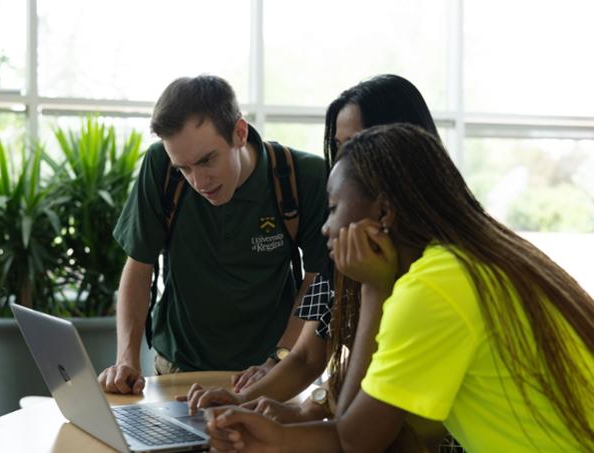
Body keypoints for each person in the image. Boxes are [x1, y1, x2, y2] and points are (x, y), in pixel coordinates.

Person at [205, 123, 594, 452]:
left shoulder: (433, 286)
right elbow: (415, 427)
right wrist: (278, 433)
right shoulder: (469, 261)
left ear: (385, 211)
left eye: (335, 207)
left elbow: (356, 439)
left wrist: (374, 289)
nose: (325, 226)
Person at [183, 76, 443, 431]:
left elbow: (360, 432)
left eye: (356, 144)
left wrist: (308, 417)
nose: (342, 161)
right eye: (339, 146)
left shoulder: (437, 266)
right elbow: (308, 356)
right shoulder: (350, 235)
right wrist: (243, 403)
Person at [98, 75, 327, 393]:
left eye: (207, 160)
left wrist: (282, 357)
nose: (199, 181)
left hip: (271, 371)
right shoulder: (160, 167)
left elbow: (320, 279)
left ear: (239, 133)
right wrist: (126, 359)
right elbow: (138, 266)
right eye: (185, 168)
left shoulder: (303, 176)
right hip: (176, 368)